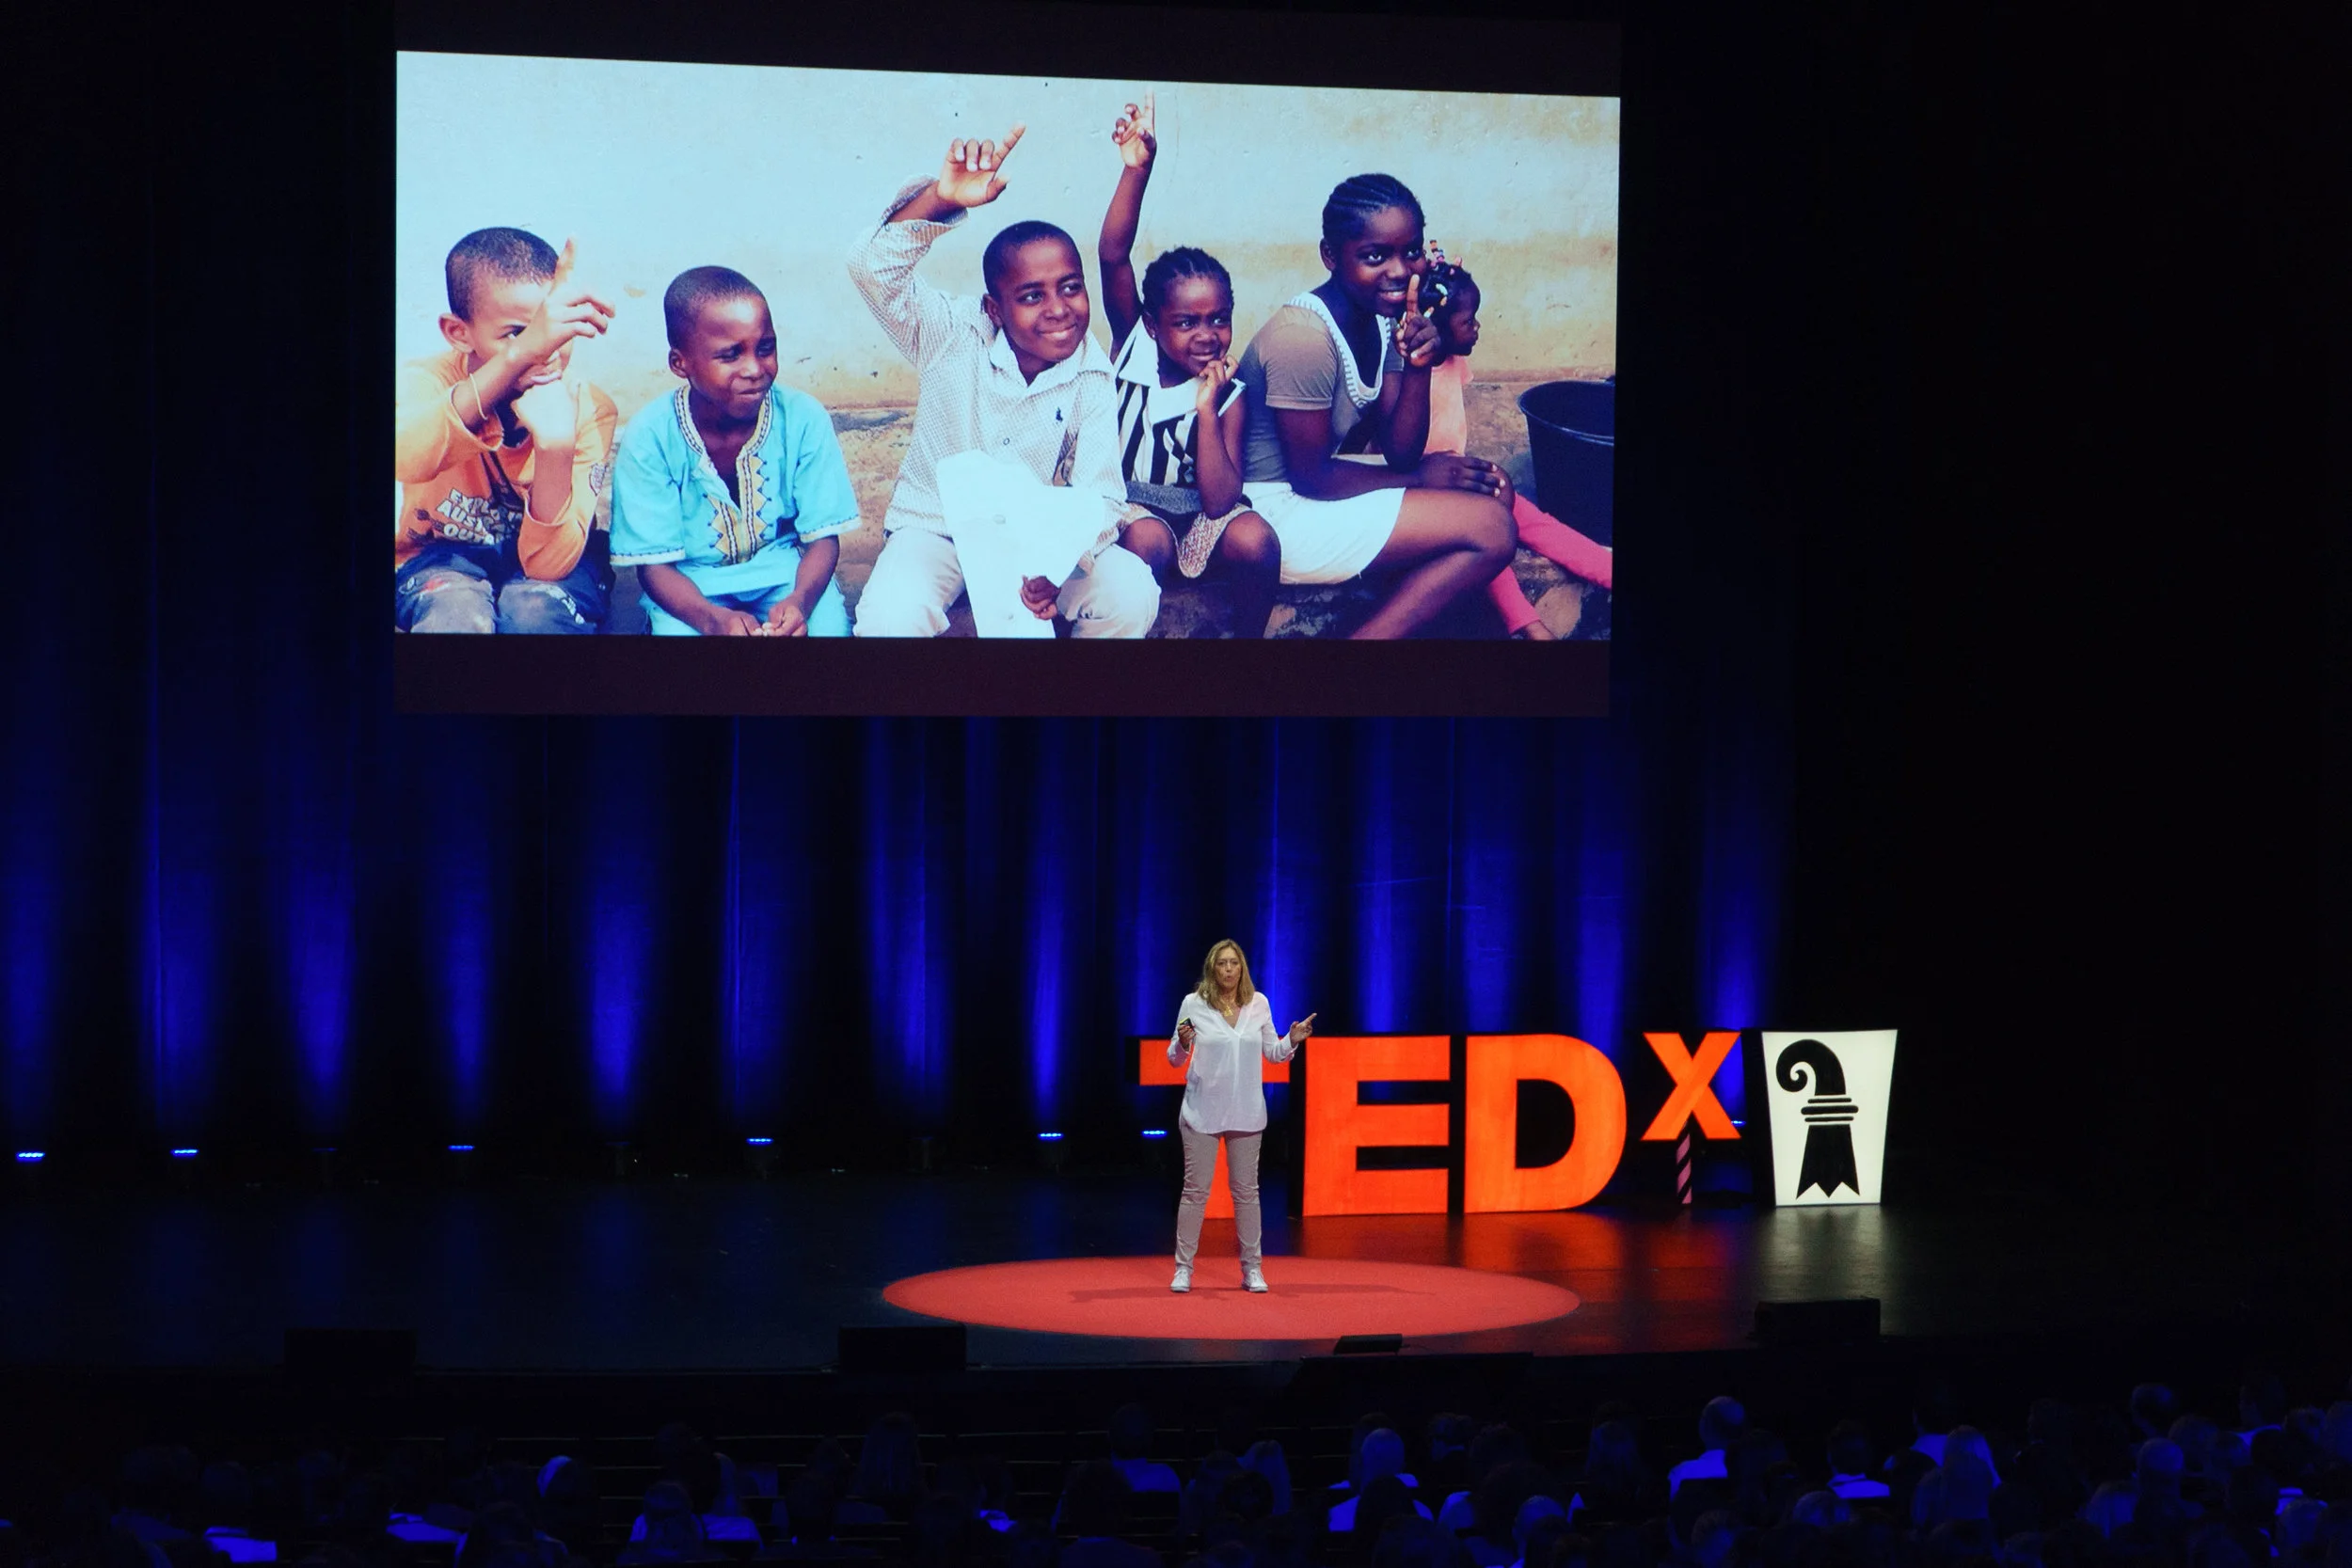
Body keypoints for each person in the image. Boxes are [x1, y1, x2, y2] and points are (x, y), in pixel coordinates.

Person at [847, 123, 1157, 638]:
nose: (1059, 310)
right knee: (889, 619)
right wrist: (939, 199)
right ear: (995, 307)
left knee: (1131, 592)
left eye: (1071, 289)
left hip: (1035, 543)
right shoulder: (951, 331)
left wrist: (1057, 564)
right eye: (1032, 296)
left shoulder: (1091, 370)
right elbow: (869, 268)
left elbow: (1102, 498)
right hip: (935, 529)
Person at [1232, 174, 1514, 638]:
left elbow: (1400, 449)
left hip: (1317, 486)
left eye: (1411, 251)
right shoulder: (1302, 337)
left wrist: (1418, 364)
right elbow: (1311, 477)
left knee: (1496, 491)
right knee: (1492, 528)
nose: (1400, 270)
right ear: (1330, 256)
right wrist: (1419, 477)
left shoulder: (1384, 317)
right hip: (1272, 510)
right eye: (1374, 256)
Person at [1094, 90, 1281, 636]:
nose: (1207, 335)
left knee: (1257, 538)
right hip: (1131, 510)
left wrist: (1207, 408)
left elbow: (1221, 500)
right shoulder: (1134, 347)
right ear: (1153, 323)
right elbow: (1112, 256)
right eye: (1186, 322)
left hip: (1200, 515)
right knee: (1149, 540)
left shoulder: (1230, 389)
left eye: (1219, 318)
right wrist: (1137, 172)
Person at [609, 267, 859, 636]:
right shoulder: (650, 436)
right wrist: (711, 620)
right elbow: (653, 568)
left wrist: (800, 602)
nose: (754, 369)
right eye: (730, 355)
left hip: (786, 574)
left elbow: (822, 538)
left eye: (765, 348)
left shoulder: (802, 417)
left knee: (829, 634)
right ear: (681, 363)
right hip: (688, 585)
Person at [395, 229, 618, 634]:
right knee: (454, 616)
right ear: (458, 332)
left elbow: (548, 566)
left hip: (552, 571)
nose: (544, 348)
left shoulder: (588, 407)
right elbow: (405, 454)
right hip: (440, 558)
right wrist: (518, 358)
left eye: (553, 327)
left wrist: (555, 445)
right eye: (519, 332)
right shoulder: (427, 381)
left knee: (535, 612)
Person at [1401, 253, 1613, 639]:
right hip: (1425, 487)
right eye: (1468, 321)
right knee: (1490, 531)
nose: (1478, 328)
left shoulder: (1453, 362)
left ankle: (1608, 571)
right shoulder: (1410, 376)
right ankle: (1528, 625)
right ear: (1436, 328)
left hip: (1459, 473)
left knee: (1532, 520)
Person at [1168, 939, 1313, 1293]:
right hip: (1202, 1110)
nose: (1229, 969)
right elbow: (1174, 1057)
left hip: (1246, 1112)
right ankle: (1183, 1268)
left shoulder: (1258, 1003)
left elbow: (1273, 1053)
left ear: (1242, 968)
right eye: (1222, 964)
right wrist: (1184, 1043)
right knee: (1195, 1192)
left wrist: (1291, 1039)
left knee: (1246, 1192)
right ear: (1212, 969)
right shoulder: (1194, 1003)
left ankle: (1253, 1270)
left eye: (1234, 963)